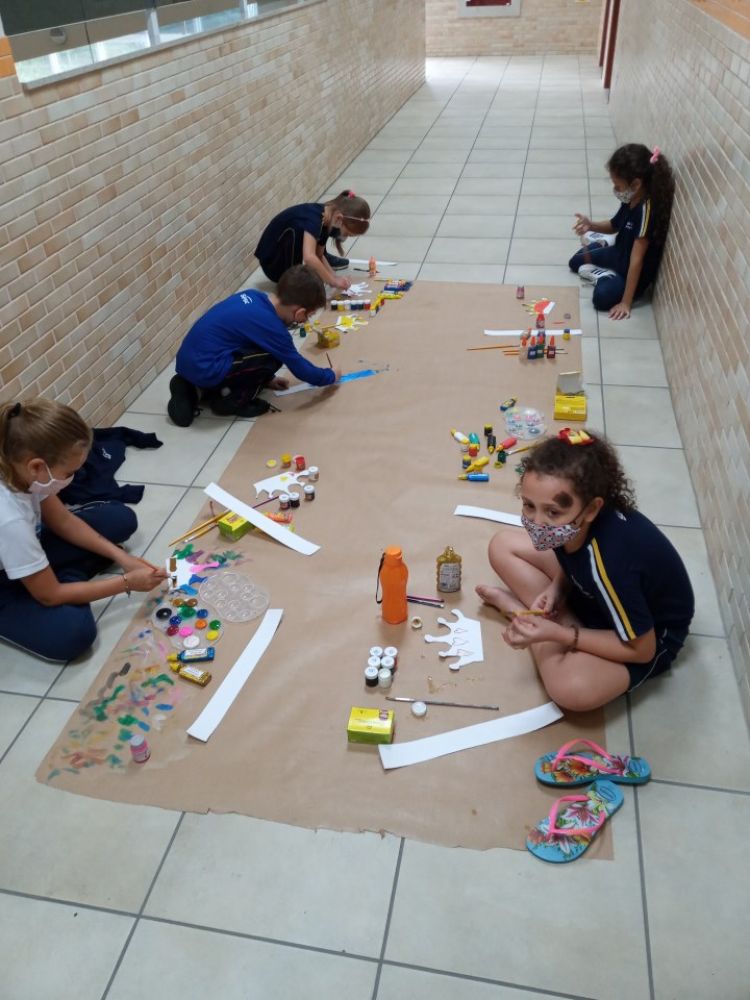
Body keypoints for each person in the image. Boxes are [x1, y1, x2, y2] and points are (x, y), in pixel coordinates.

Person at [476, 431, 694, 712]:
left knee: (570, 690)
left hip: (645, 636)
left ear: (592, 509)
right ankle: (549, 625)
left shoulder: (612, 566)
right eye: (529, 505)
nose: (537, 522)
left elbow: (643, 650)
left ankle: (523, 616)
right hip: (600, 596)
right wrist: (557, 587)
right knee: (502, 545)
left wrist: (560, 634)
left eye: (552, 512)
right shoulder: (575, 523)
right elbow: (575, 558)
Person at [0, 399, 165, 663]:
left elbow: (64, 521)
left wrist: (123, 559)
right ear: (37, 467)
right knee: (73, 633)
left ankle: (60, 574)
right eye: (69, 472)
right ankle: (64, 576)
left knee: (119, 518)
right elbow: (49, 596)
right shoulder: (9, 518)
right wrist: (126, 583)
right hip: (6, 581)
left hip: (25, 546)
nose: (73, 478)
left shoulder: (20, 467)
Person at [168, 265, 341, 426]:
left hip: (190, 362)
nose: (305, 321)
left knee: (263, 349)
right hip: (206, 368)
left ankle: (193, 389)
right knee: (273, 357)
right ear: (299, 312)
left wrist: (267, 379)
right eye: (307, 316)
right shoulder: (272, 325)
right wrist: (330, 376)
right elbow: (299, 367)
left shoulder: (253, 296)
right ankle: (232, 401)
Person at [569, 143, 675, 319]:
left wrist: (626, 302)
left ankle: (604, 276)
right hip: (620, 252)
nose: (615, 190)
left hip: (632, 272)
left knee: (601, 298)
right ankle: (602, 244)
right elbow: (614, 225)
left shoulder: (646, 210)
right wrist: (591, 225)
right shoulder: (630, 198)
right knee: (575, 261)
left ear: (636, 184)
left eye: (617, 185)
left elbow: (637, 260)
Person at [254, 191, 371, 291]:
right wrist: (332, 281)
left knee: (317, 275)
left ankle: (294, 277)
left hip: (281, 255)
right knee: (311, 279)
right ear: (339, 218)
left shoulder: (327, 218)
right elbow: (309, 257)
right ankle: (290, 282)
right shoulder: (314, 219)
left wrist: (334, 277)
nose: (345, 237)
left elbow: (319, 255)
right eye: (347, 234)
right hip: (272, 263)